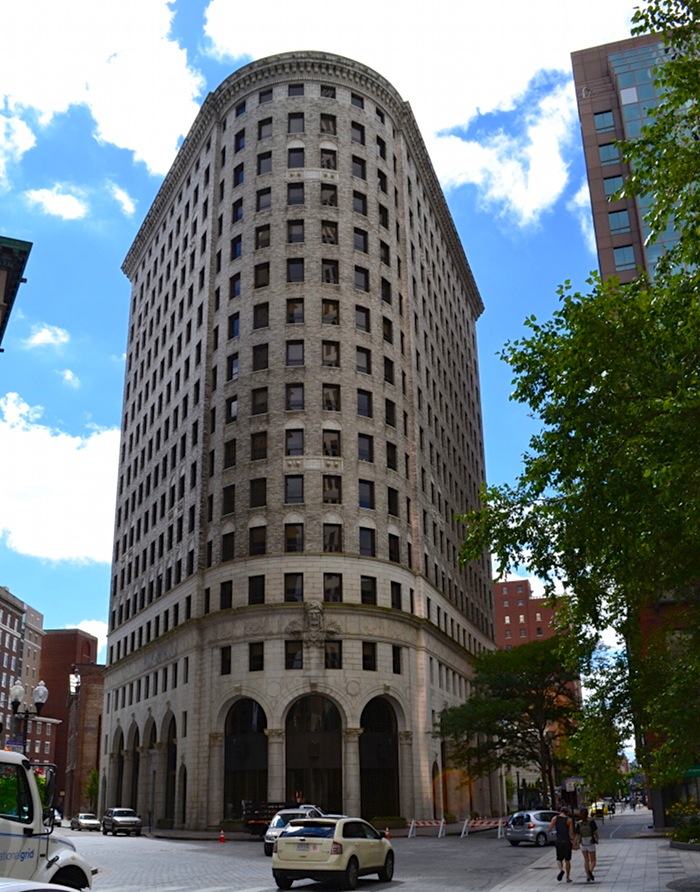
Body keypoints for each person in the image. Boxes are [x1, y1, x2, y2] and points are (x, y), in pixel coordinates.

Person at [548, 806, 575, 883]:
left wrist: (554, 832)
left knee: (559, 859)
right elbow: (571, 832)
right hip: (566, 841)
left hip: (559, 840)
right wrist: (573, 841)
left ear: (560, 811)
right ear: (567, 812)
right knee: (567, 860)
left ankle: (561, 870)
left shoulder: (555, 818)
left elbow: (549, 829)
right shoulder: (569, 820)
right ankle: (567, 877)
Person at [575, 807, 599, 882]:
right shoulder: (591, 822)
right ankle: (590, 870)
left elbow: (577, 835)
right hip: (590, 842)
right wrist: (597, 839)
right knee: (593, 860)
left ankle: (587, 876)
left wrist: (575, 843)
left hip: (583, 843)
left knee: (586, 860)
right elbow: (595, 832)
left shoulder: (579, 823)